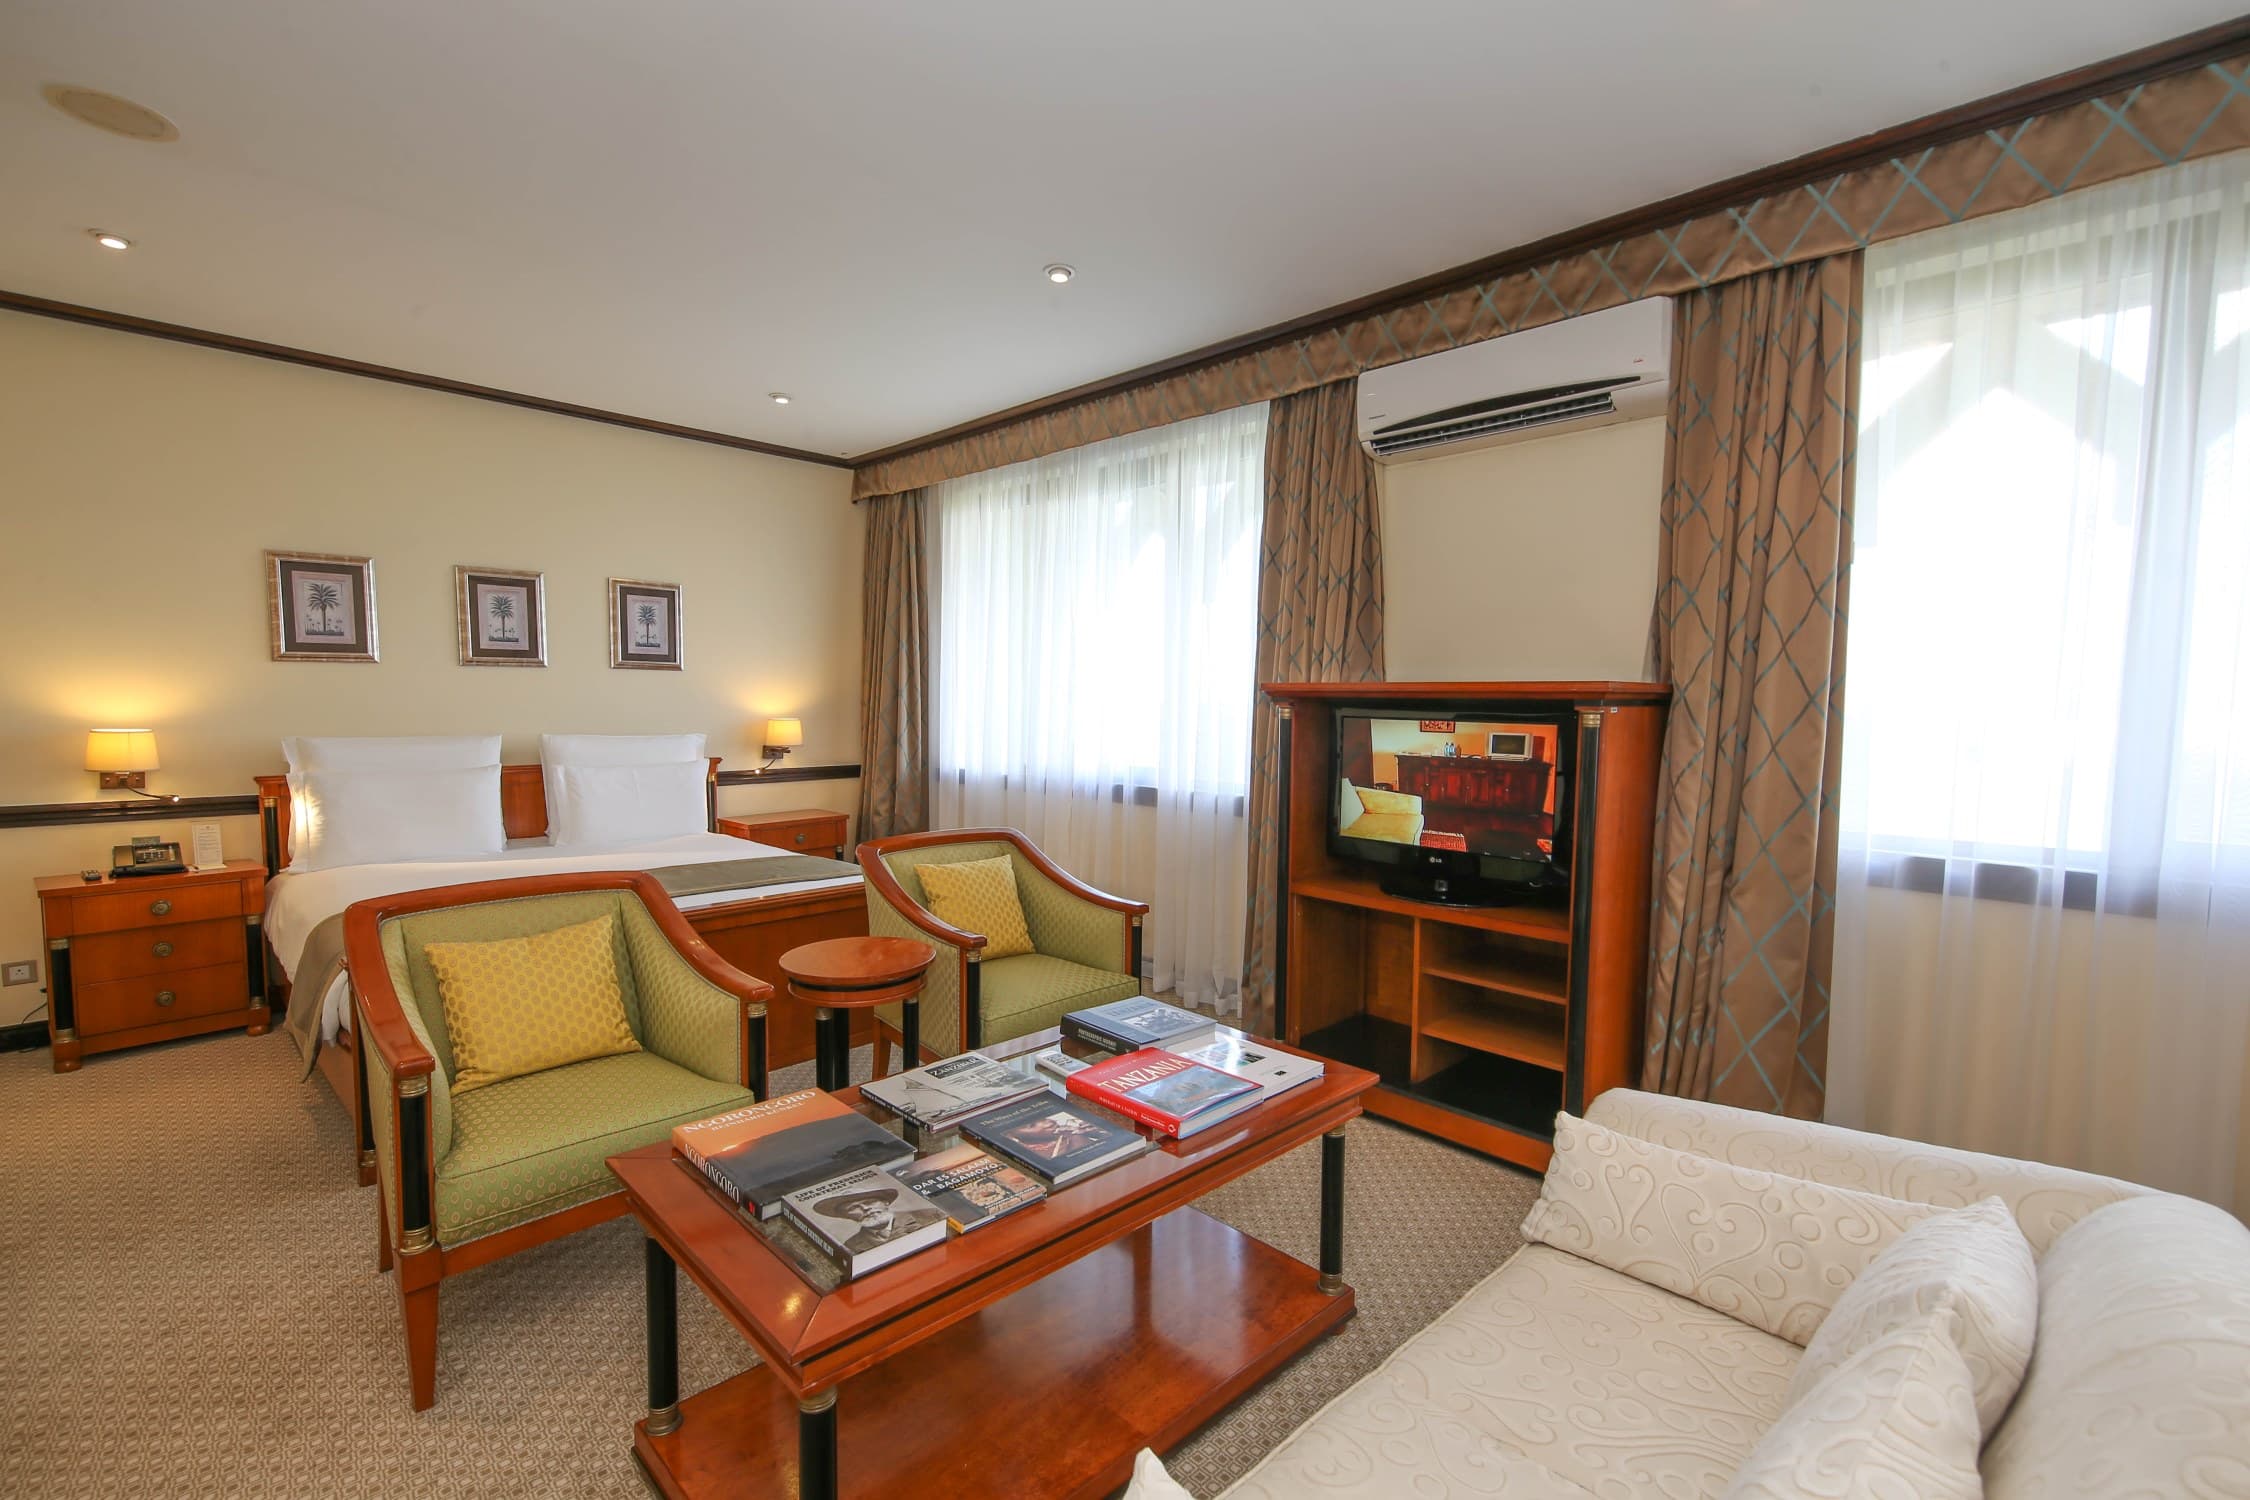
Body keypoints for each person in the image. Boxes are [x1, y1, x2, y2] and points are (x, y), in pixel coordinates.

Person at [812, 1184, 944, 1251]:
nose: (865, 1208)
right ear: (846, 1216)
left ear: (885, 1202)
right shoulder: (850, 1246)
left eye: (870, 1202)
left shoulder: (931, 1215)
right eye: (853, 1208)